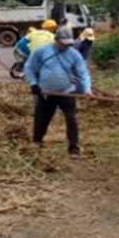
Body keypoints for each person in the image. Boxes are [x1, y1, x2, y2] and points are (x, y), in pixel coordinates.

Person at [25, 26, 91, 157]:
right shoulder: (42, 51)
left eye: (68, 43)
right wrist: (33, 84)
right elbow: (29, 67)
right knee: (42, 118)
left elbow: (83, 73)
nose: (66, 46)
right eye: (63, 43)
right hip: (46, 93)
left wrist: (87, 89)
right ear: (56, 39)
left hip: (67, 92)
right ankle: (36, 142)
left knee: (71, 119)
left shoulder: (74, 55)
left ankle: (74, 148)